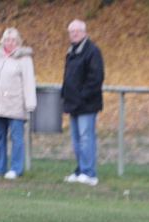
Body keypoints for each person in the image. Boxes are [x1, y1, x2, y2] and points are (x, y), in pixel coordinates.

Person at [0, 27, 36, 180]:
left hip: (16, 105)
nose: (10, 43)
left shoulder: (25, 59)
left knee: (16, 138)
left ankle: (15, 169)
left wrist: (30, 104)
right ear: (3, 41)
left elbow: (29, 82)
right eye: (7, 40)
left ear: (18, 42)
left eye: (13, 40)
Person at [61, 19, 104, 186]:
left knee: (86, 138)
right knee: (76, 139)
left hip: (87, 104)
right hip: (73, 103)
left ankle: (89, 173)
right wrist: (66, 95)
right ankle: (80, 170)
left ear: (84, 32)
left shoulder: (92, 51)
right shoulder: (71, 52)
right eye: (72, 32)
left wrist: (83, 96)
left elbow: (96, 77)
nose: (74, 34)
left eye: (77, 31)